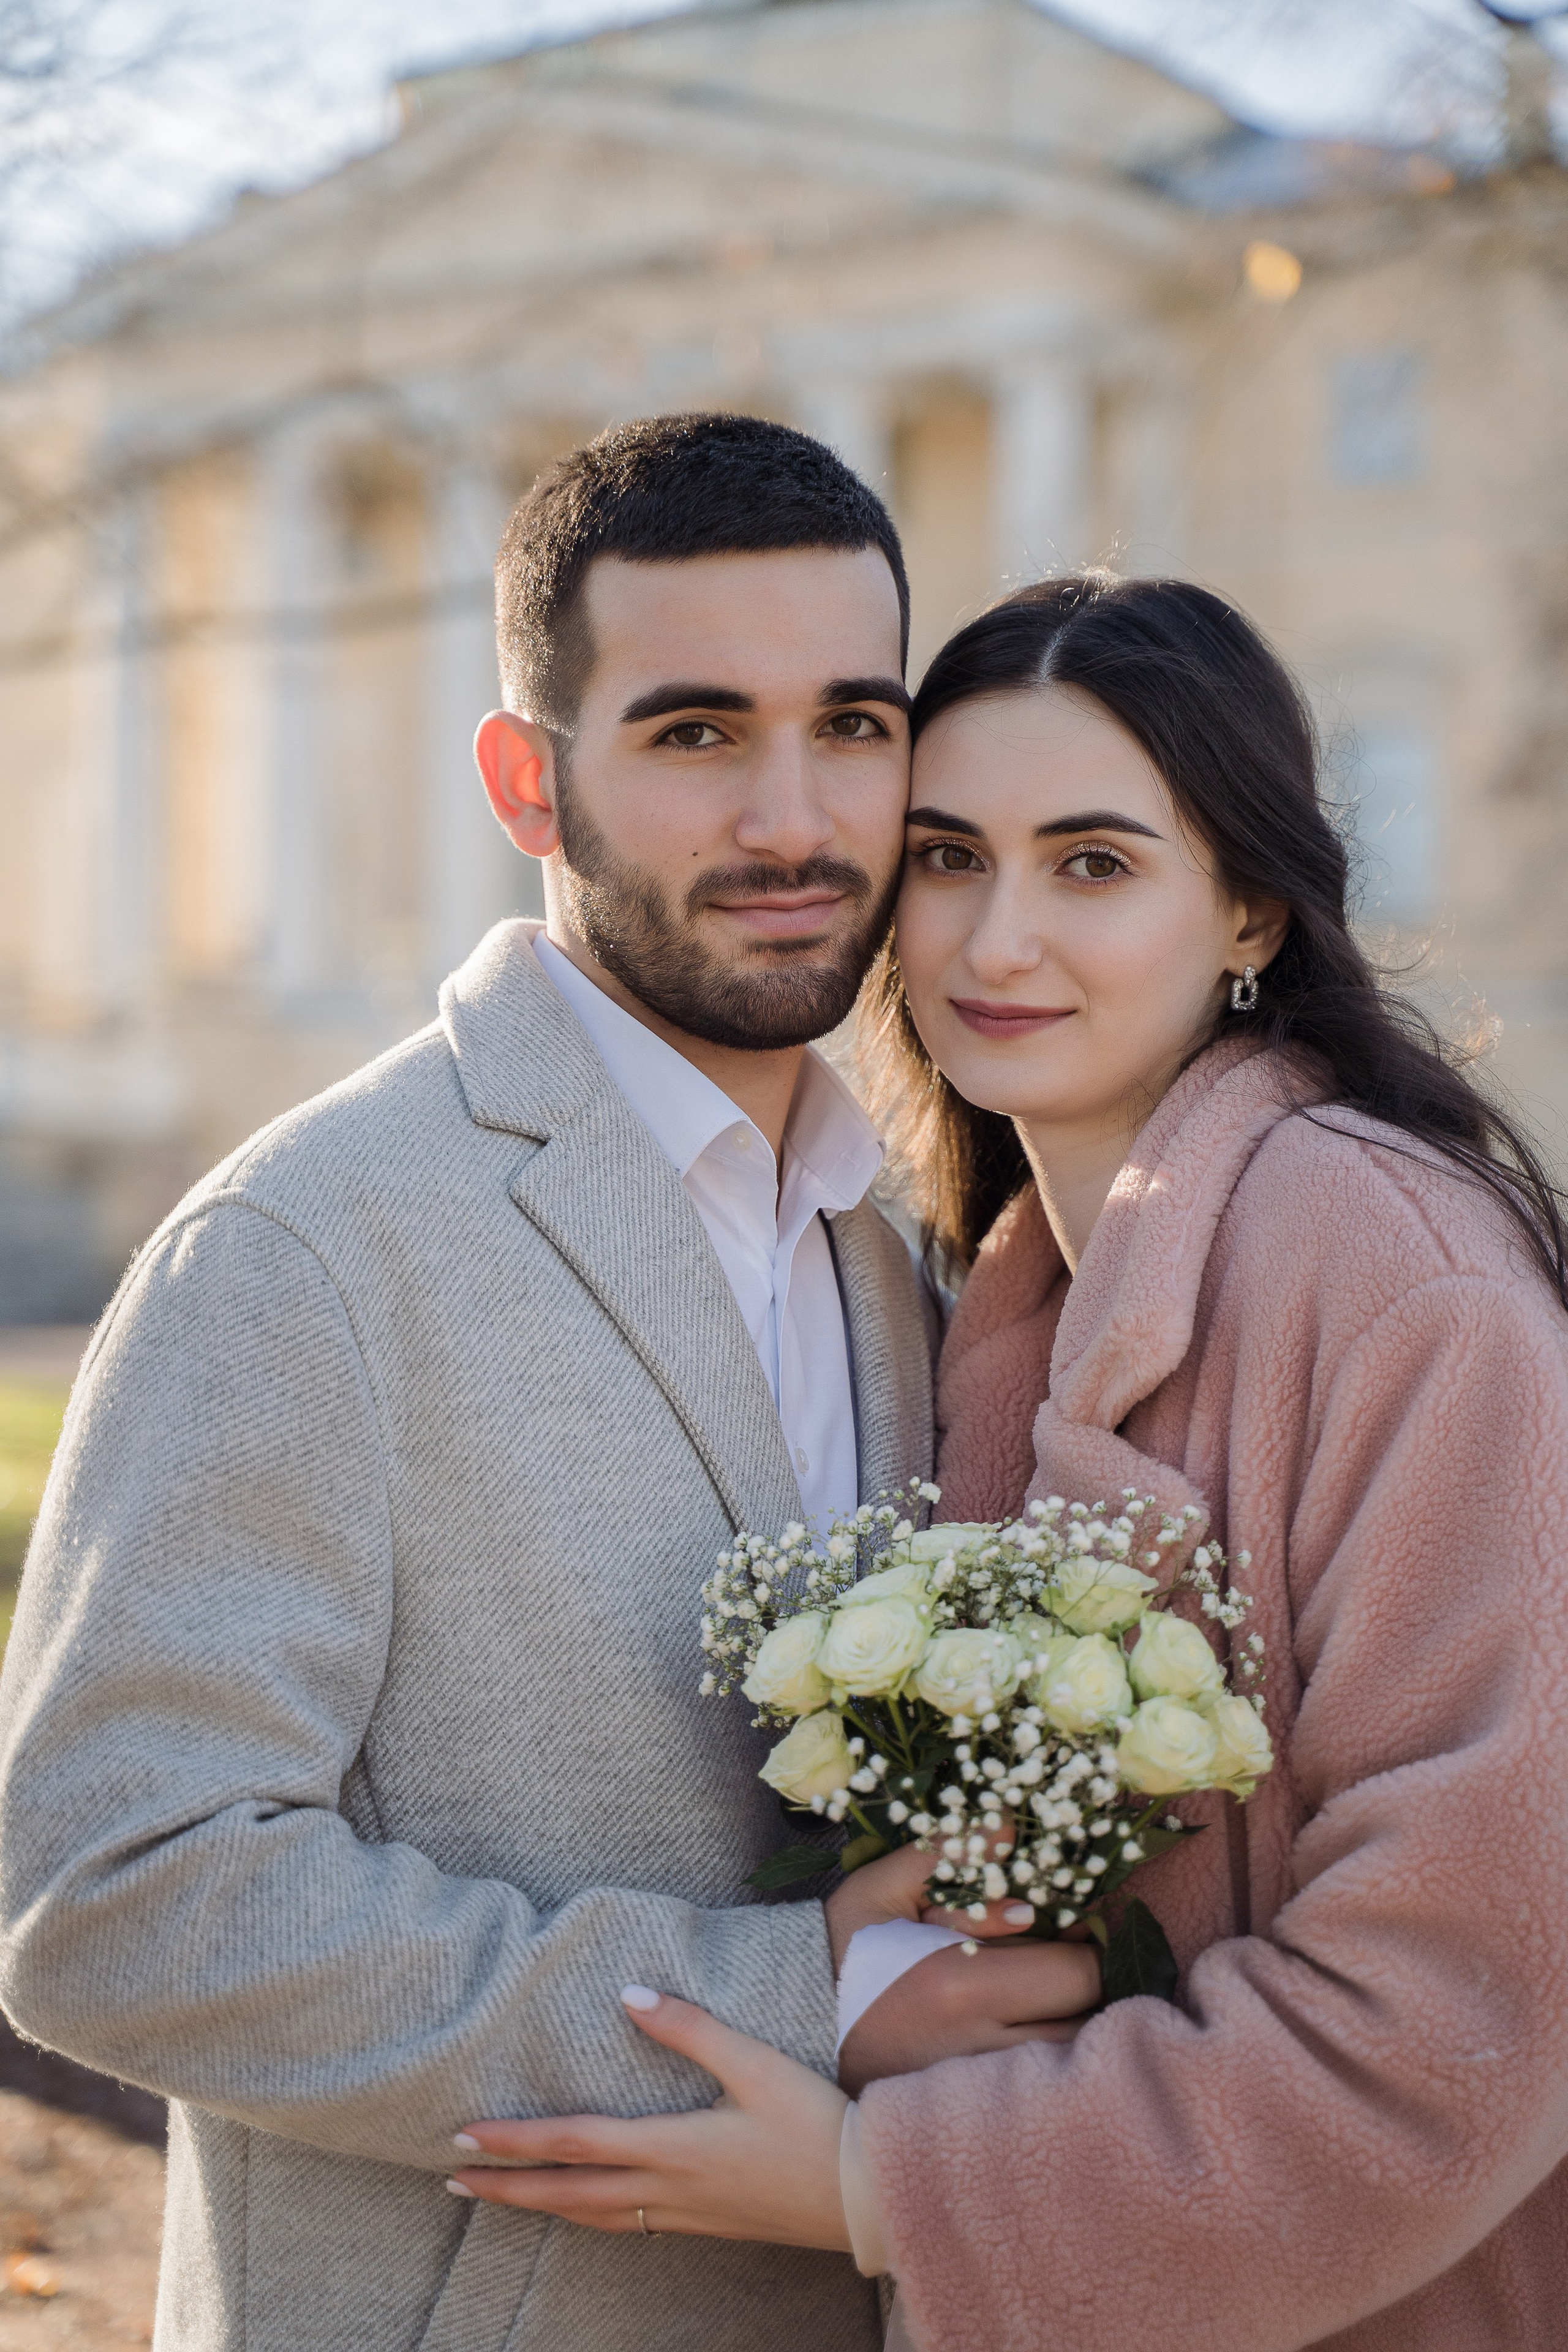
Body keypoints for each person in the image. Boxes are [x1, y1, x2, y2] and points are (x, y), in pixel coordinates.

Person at [0, 419, 1094, 2352]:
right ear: (529, 781)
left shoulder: (917, 1249)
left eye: (853, 724)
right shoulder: (301, 1251)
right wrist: (797, 1998)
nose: (794, 820)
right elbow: (110, 1903)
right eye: (694, 735)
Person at [442, 573, 1568, 2352]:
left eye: (1094, 864)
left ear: (1253, 908)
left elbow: (1480, 1986)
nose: (994, 942)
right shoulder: (980, 1285)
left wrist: (892, 2188)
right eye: (951, 857)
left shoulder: (1394, 1276)